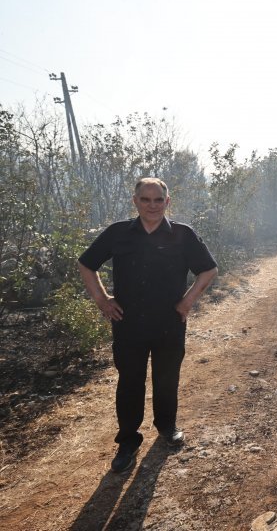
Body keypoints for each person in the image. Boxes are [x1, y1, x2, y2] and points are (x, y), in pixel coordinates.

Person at [78, 177, 218, 473]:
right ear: (135, 201)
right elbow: (86, 264)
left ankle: (167, 427)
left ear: (167, 203)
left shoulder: (182, 235)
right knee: (130, 383)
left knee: (167, 379)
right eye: (146, 199)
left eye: (158, 200)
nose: (152, 206)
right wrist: (102, 300)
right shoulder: (118, 234)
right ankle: (128, 441)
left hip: (170, 323)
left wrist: (187, 301)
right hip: (128, 324)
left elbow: (208, 269)